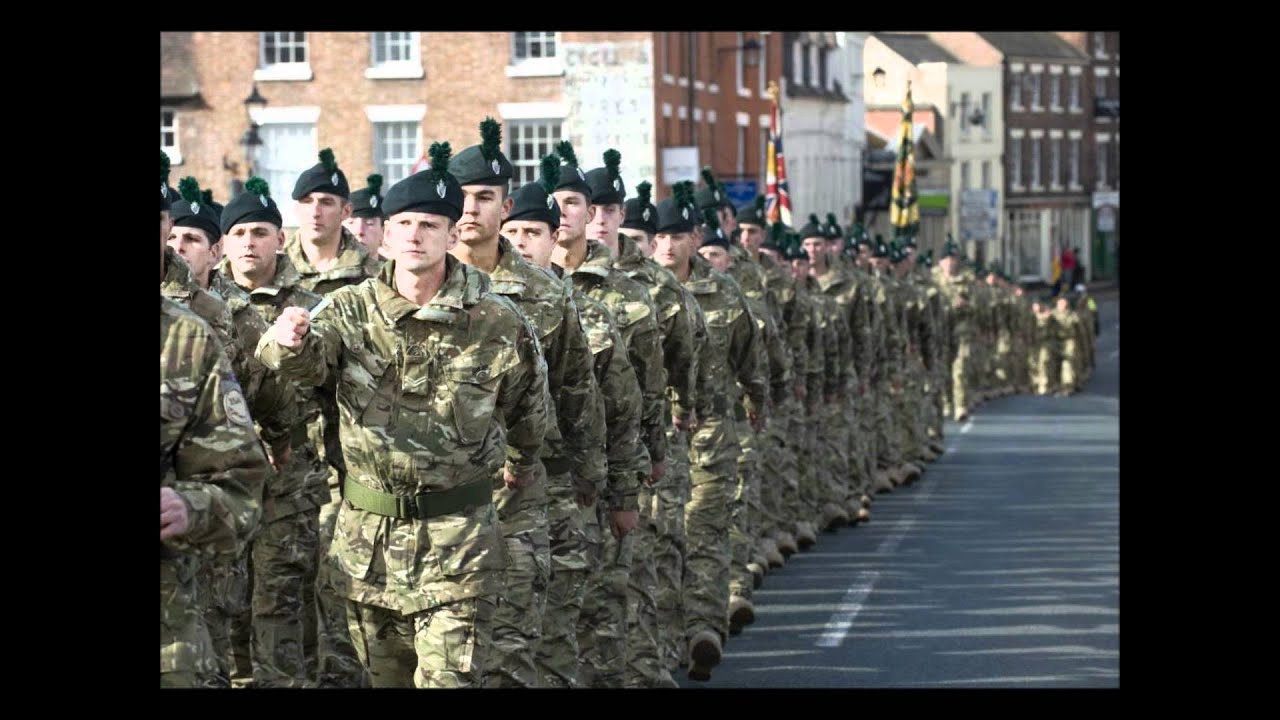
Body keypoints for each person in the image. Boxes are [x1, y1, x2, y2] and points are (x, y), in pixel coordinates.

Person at [255, 142, 550, 688]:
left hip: (459, 543)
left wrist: (520, 469)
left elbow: (531, 414)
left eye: (430, 225)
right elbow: (294, 369)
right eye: (404, 224)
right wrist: (288, 340)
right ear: (385, 236)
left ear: (451, 235)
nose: (415, 235)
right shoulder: (347, 310)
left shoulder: (496, 320)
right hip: (369, 545)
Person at [450, 120, 605, 688]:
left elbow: (576, 389)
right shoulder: (406, 284)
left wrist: (594, 477)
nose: (470, 210)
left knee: (520, 641)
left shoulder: (543, 294)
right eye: (462, 198)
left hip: (523, 492)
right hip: (436, 499)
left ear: (506, 205)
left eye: (484, 198)